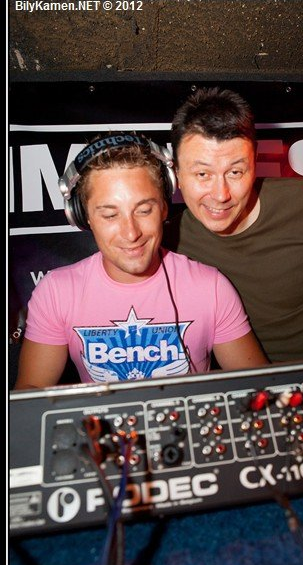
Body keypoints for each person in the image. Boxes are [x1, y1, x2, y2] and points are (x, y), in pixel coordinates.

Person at [163, 87, 303, 383]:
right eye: (202, 174)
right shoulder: (170, 243)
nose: (220, 195)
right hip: (265, 393)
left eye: (235, 172)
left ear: (255, 164)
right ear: (176, 173)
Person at [14, 132, 268, 390]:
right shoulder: (56, 292)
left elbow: (261, 391)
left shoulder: (211, 287)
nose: (131, 233)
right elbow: (30, 394)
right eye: (110, 215)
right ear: (83, 216)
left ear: (164, 207)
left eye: (144, 210)